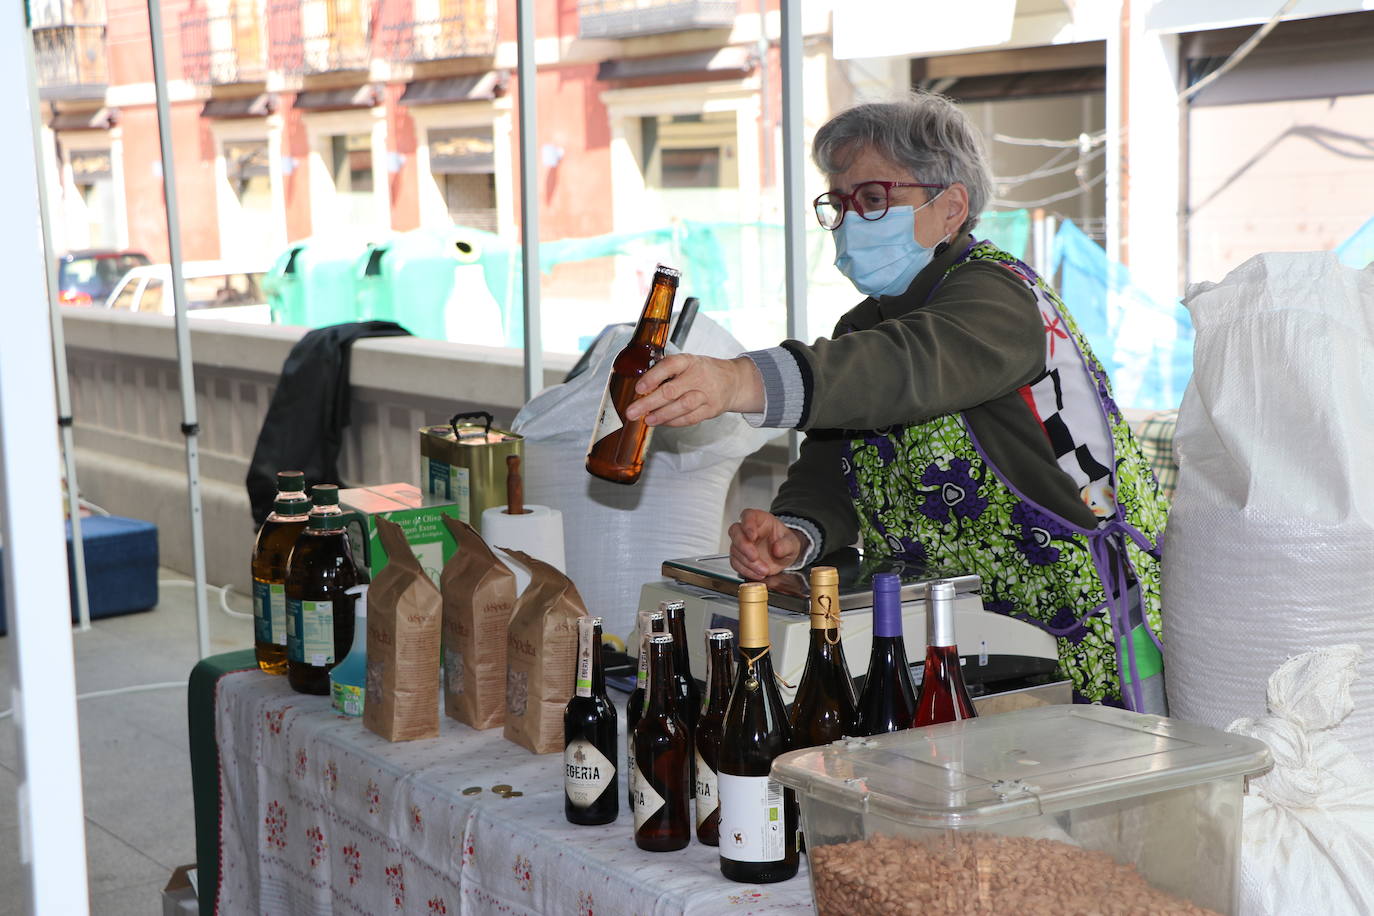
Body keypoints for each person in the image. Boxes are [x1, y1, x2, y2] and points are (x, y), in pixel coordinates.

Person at [625, 91, 1171, 712]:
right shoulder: (867, 324)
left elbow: (902, 368)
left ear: (951, 208)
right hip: (948, 637)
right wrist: (797, 534)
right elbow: (833, 462)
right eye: (841, 203)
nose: (853, 221)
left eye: (876, 199)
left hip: (1074, 633)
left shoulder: (1000, 301)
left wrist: (737, 381)